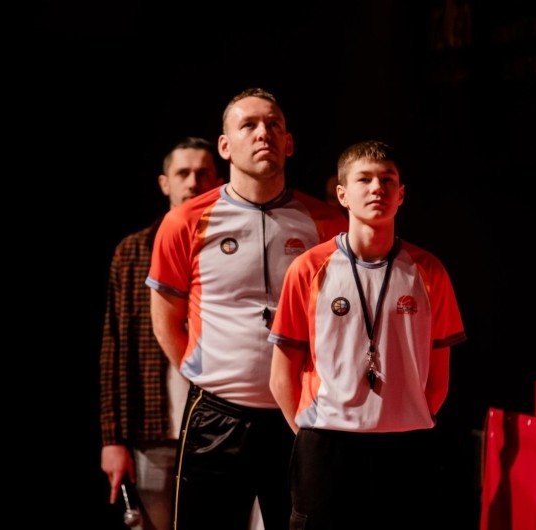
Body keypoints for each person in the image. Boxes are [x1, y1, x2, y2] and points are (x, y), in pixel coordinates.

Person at [146, 87, 348, 530]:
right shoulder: (184, 222)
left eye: (274, 124)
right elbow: (165, 322)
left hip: (298, 416)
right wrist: (209, 377)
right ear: (225, 145)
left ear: (289, 143)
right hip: (215, 417)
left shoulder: (329, 224)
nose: (263, 133)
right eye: (249, 125)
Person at [268, 140, 468, 529]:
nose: (377, 188)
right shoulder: (308, 268)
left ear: (401, 194)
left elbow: (439, 377)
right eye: (364, 179)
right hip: (327, 444)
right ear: (342, 194)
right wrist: (313, 432)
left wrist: (404, 417)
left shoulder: (429, 271)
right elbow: (281, 376)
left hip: (406, 447)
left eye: (387, 180)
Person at [99, 136, 224, 530]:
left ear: (218, 181)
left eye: (202, 173)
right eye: (183, 173)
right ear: (164, 183)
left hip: (218, 428)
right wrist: (112, 438)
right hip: (152, 428)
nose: (193, 182)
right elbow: (114, 349)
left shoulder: (230, 248)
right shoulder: (134, 251)